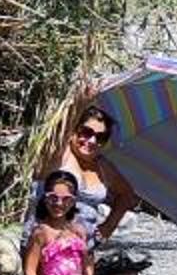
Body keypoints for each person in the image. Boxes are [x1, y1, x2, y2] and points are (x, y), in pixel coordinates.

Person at [38, 99, 142, 246]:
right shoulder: (61, 155)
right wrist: (81, 101)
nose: (92, 140)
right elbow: (58, 128)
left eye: (100, 137)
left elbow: (126, 194)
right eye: (86, 132)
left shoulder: (103, 167)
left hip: (84, 249)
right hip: (47, 246)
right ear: (74, 130)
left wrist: (109, 226)